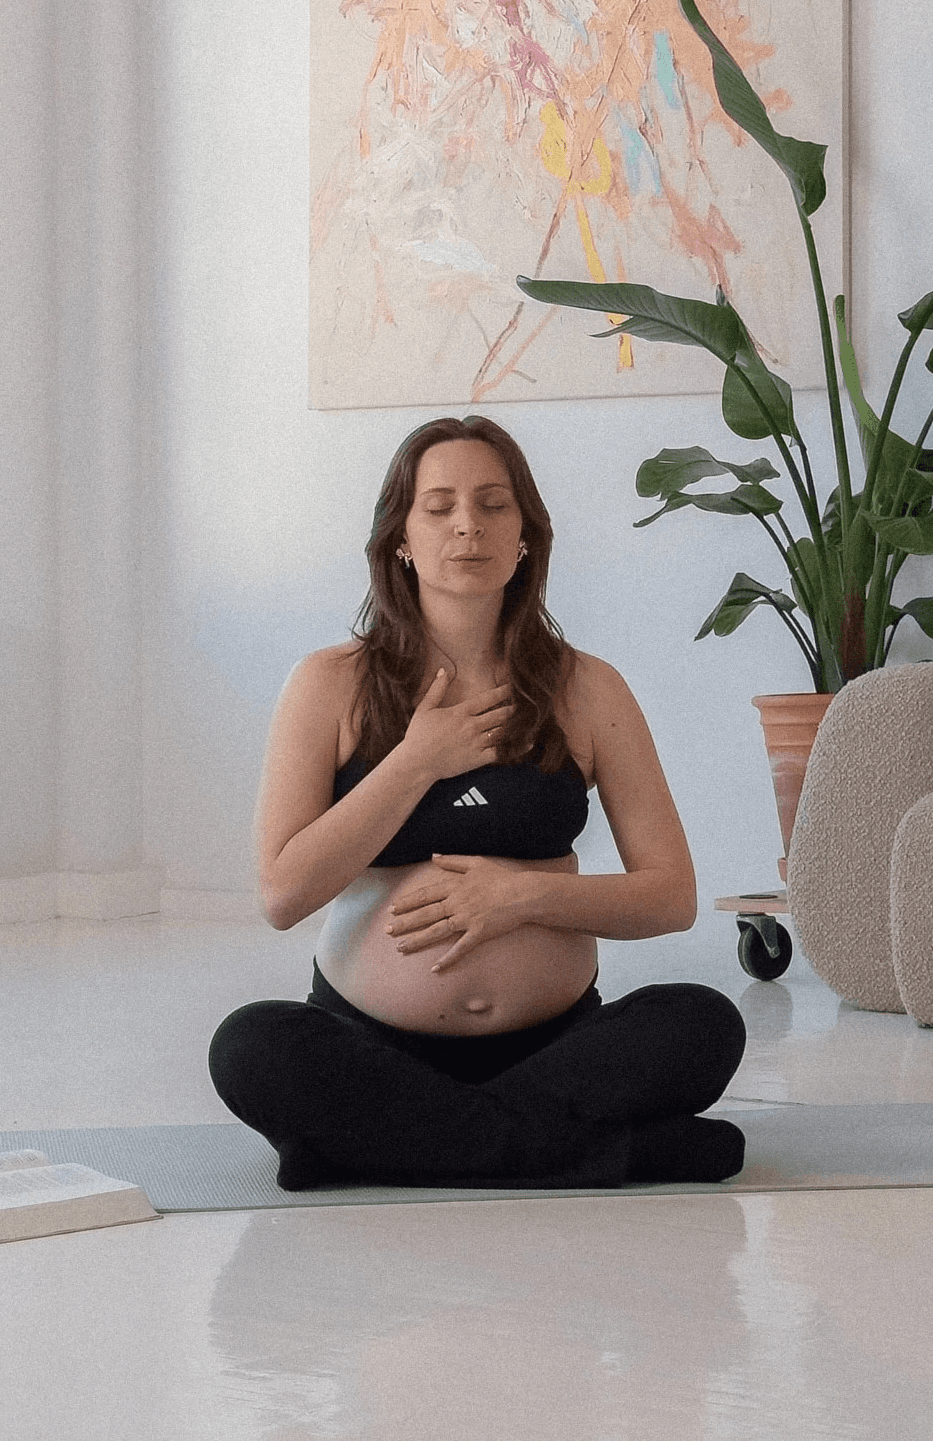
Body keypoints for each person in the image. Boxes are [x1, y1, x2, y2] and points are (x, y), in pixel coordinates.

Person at [209, 415, 746, 1189]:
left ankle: (382, 1145)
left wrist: (522, 898)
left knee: (701, 1022)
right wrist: (416, 761)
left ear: (526, 533)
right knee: (249, 1046)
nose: (468, 524)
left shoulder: (588, 688)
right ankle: (613, 1152)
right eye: (439, 506)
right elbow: (282, 892)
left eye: (494, 503)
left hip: (553, 1049)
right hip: (371, 1044)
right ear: (400, 535)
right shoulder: (329, 684)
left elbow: (669, 898)